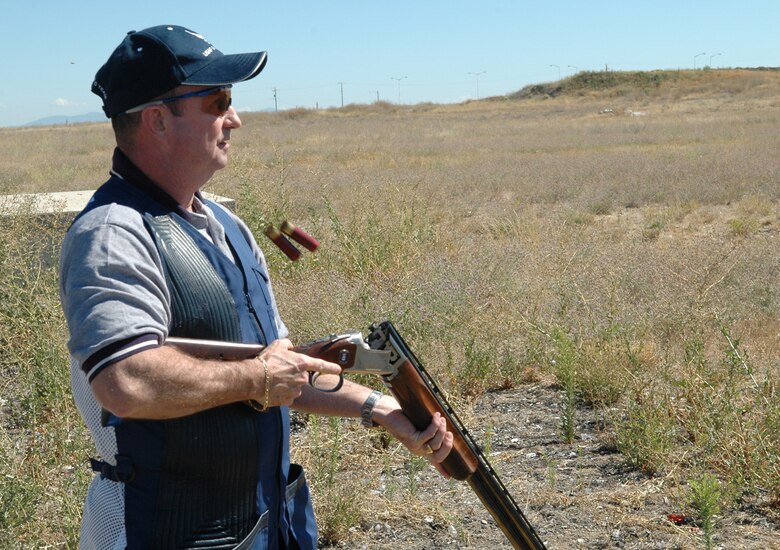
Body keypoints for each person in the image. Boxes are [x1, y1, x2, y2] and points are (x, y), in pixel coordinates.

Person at [59, 25, 454, 550]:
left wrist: (378, 408)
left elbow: (278, 371)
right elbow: (125, 382)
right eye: (219, 100)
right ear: (157, 118)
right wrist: (256, 376)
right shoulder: (113, 234)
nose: (235, 119)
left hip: (263, 525)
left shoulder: (227, 225)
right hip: (158, 528)